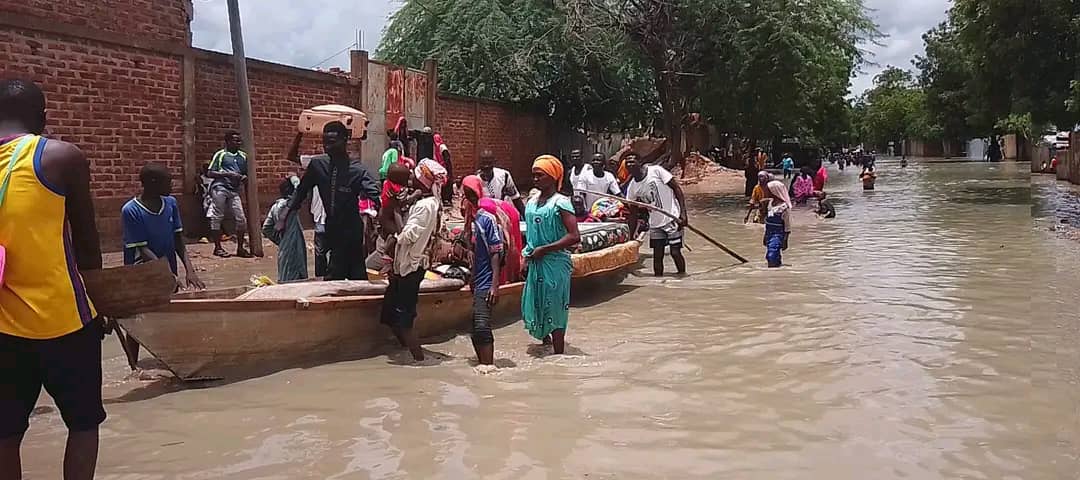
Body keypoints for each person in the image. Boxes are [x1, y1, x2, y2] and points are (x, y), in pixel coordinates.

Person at [0, 78, 106, 480]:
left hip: (2, 327)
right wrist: (103, 306)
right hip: (63, 319)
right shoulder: (61, 157)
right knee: (82, 424)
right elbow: (87, 241)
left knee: (5, 433)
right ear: (43, 118)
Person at [119, 163, 206, 369]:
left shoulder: (170, 203)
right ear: (152, 183)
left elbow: (178, 239)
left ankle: (172, 361)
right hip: (143, 272)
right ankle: (134, 367)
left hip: (169, 270)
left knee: (169, 315)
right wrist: (167, 273)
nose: (172, 185)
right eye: (168, 181)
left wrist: (189, 271)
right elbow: (141, 249)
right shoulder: (131, 210)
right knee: (138, 320)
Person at [281, 121, 381, 280]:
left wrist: (381, 219)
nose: (327, 147)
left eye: (332, 143)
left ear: (345, 140)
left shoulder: (357, 170)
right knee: (334, 268)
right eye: (325, 143)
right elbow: (301, 191)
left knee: (355, 271)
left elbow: (375, 195)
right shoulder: (318, 165)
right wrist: (284, 215)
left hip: (352, 229)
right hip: (331, 227)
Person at [382, 159, 444, 362]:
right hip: (405, 266)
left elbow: (406, 236)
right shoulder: (428, 202)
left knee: (404, 319)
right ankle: (408, 350)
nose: (410, 180)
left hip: (411, 267)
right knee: (391, 314)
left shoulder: (425, 206)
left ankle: (420, 360)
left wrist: (397, 211)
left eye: (413, 177)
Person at [522, 155, 581, 354]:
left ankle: (558, 354)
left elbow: (574, 236)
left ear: (553, 176)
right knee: (537, 305)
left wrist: (545, 249)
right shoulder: (531, 202)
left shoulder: (561, 203)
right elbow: (530, 233)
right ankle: (545, 345)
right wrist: (526, 256)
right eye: (534, 175)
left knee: (555, 309)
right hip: (535, 261)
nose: (535, 179)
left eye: (540, 175)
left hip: (555, 264)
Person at [625, 152, 689, 277]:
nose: (630, 164)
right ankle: (658, 280)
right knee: (657, 255)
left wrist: (683, 213)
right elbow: (633, 213)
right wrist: (631, 235)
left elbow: (676, 189)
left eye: (632, 161)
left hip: (672, 219)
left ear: (640, 162)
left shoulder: (656, 171)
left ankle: (682, 276)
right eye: (627, 163)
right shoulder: (632, 187)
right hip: (655, 224)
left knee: (675, 252)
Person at [465, 183, 503, 366]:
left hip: (487, 278)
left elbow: (496, 252)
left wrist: (495, 285)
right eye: (466, 194)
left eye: (472, 194)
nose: (469, 198)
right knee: (473, 326)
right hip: (477, 278)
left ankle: (489, 366)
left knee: (482, 324)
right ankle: (482, 364)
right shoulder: (471, 218)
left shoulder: (487, 219)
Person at [207, 131, 252, 258]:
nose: (238, 143)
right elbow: (210, 172)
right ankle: (218, 247)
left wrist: (243, 178)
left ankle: (240, 248)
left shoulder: (243, 156)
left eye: (239, 141)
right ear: (227, 142)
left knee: (241, 219)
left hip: (234, 190)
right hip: (220, 188)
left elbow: (245, 173)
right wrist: (228, 174)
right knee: (217, 216)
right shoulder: (221, 155)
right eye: (235, 141)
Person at [263, 176, 307, 283]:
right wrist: (294, 177)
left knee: (284, 277)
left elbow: (266, 229)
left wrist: (281, 241)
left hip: (284, 248)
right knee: (295, 281)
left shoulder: (275, 206)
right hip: (293, 249)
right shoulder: (288, 206)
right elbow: (299, 188)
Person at [763, 179, 792, 268]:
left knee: (771, 255)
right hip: (769, 233)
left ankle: (772, 272)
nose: (766, 191)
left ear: (774, 191)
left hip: (777, 234)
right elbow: (767, 220)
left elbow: (787, 226)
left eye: (768, 190)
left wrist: (785, 240)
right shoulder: (770, 204)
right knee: (772, 255)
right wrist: (765, 235)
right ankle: (777, 268)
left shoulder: (784, 208)